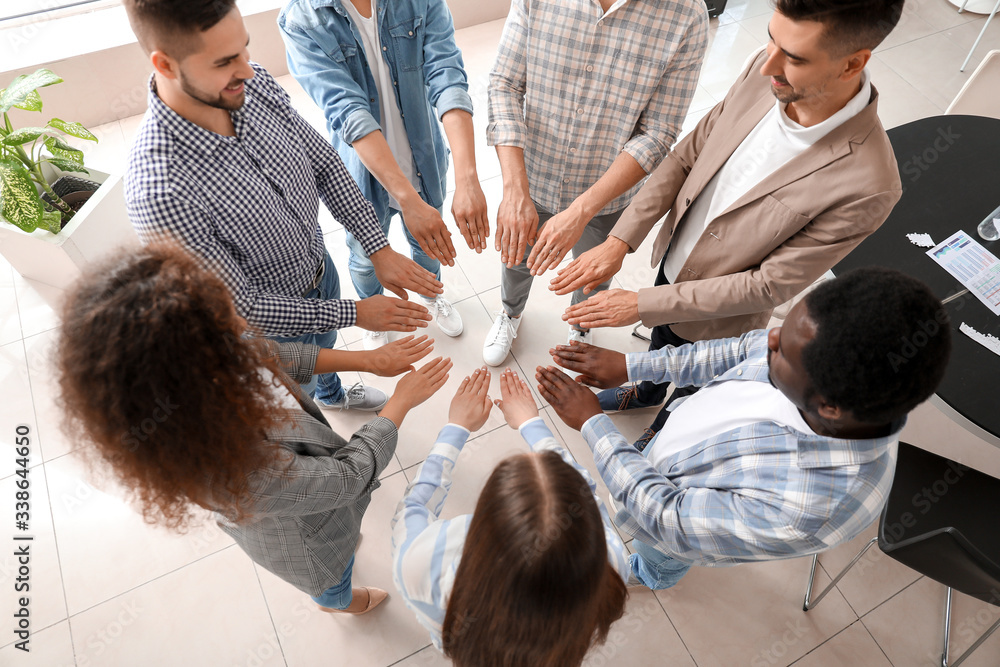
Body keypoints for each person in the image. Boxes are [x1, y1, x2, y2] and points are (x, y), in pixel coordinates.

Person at [551, 0, 905, 448]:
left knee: (694, 390)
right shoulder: (765, 69)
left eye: (793, 57)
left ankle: (663, 434)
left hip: (720, 321)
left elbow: (767, 286)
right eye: (772, 40)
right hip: (670, 267)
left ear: (853, 63)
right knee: (661, 347)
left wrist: (641, 303)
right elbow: (686, 157)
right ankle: (646, 390)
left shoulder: (869, 183)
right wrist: (621, 240)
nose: (767, 65)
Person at [57, 242, 452, 614]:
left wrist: (368, 360)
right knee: (334, 579)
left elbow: (270, 354)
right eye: (224, 322)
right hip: (308, 543)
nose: (241, 320)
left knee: (342, 533)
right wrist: (400, 403)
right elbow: (347, 477)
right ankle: (336, 602)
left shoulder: (210, 354)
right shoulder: (235, 475)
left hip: (318, 504)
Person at [538, 267, 950, 590]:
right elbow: (735, 349)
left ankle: (646, 576)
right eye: (782, 328)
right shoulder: (814, 362)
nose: (768, 338)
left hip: (666, 530)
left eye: (781, 349)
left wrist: (593, 425)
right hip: (669, 456)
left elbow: (669, 517)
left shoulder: (810, 507)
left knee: (656, 558)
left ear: (828, 406)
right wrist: (633, 366)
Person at [124, 0, 443, 412]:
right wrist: (355, 314)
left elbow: (324, 163)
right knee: (299, 398)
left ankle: (333, 393)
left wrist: (377, 247)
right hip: (273, 332)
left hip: (319, 275)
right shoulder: (162, 191)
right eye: (225, 61)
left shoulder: (252, 84)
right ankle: (318, 404)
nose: (247, 67)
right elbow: (244, 307)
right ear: (165, 65)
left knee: (325, 355)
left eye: (244, 48)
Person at [481, 0, 708, 366]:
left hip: (609, 194)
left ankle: (582, 321)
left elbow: (657, 132)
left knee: (592, 271)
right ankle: (510, 313)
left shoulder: (687, 13)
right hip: (533, 175)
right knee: (517, 258)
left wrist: (582, 209)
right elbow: (505, 84)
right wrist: (514, 189)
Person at [279, 0, 489, 350]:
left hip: (425, 162)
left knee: (428, 247)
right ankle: (374, 310)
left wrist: (468, 178)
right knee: (365, 257)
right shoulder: (301, 19)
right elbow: (348, 110)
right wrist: (407, 200)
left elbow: (446, 74)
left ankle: (431, 295)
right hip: (361, 177)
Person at [391, 367, 629, 664]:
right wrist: (532, 424)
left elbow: (414, 507)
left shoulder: (420, 564)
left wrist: (456, 429)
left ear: (484, 516)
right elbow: (587, 494)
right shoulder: (612, 566)